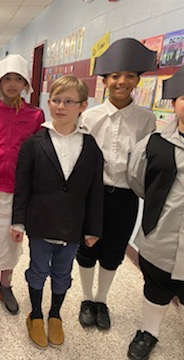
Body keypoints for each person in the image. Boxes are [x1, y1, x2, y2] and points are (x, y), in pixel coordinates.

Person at [11, 75, 103, 348]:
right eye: (55, 100)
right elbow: (22, 186)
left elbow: (95, 191)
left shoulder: (90, 146)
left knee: (63, 273)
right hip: (40, 221)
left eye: (69, 101)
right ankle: (36, 313)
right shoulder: (34, 143)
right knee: (38, 269)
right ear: (48, 102)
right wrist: (18, 223)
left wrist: (93, 228)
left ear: (82, 105)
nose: (61, 106)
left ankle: (55, 315)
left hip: (73, 225)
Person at [77, 38, 157, 331]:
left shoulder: (146, 119)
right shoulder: (90, 116)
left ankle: (101, 300)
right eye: (115, 76)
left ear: (138, 79)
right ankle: (86, 299)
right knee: (87, 248)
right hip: (92, 195)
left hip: (126, 196)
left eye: (130, 76)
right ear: (105, 80)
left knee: (113, 251)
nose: (122, 82)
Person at [0, 54, 44, 317]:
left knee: (13, 240)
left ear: (26, 83)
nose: (13, 84)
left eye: (19, 79)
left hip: (20, 190)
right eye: (8, 79)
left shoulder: (35, 115)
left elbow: (40, 153)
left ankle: (6, 285)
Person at [126, 65, 184, 360]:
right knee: (157, 288)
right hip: (160, 236)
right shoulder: (153, 144)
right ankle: (148, 332)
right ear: (174, 103)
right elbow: (137, 180)